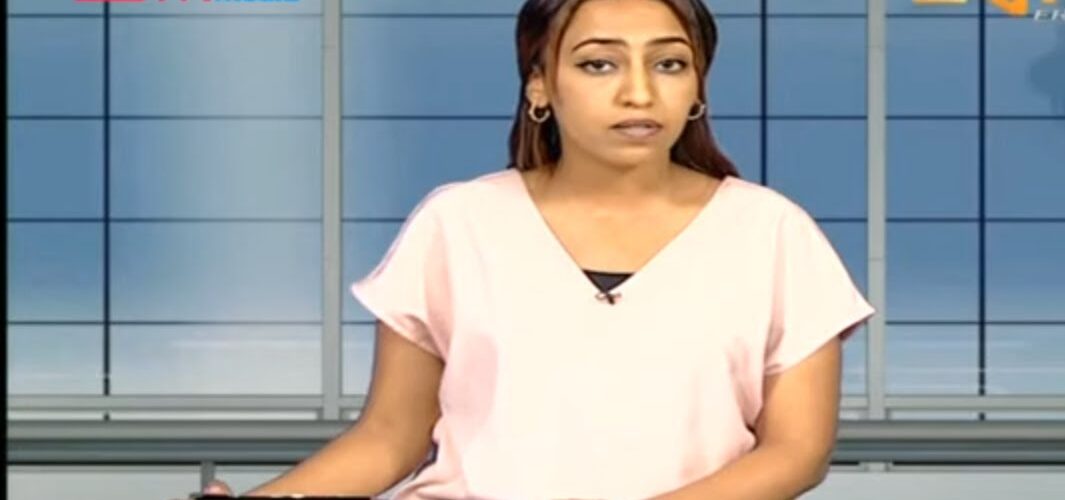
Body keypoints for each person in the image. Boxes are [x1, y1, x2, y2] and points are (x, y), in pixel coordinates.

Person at [197, 0, 874, 498]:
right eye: (599, 63)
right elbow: (389, 438)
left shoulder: (772, 233)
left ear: (697, 88)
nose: (639, 92)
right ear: (540, 84)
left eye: (669, 63)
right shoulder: (458, 223)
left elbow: (797, 452)